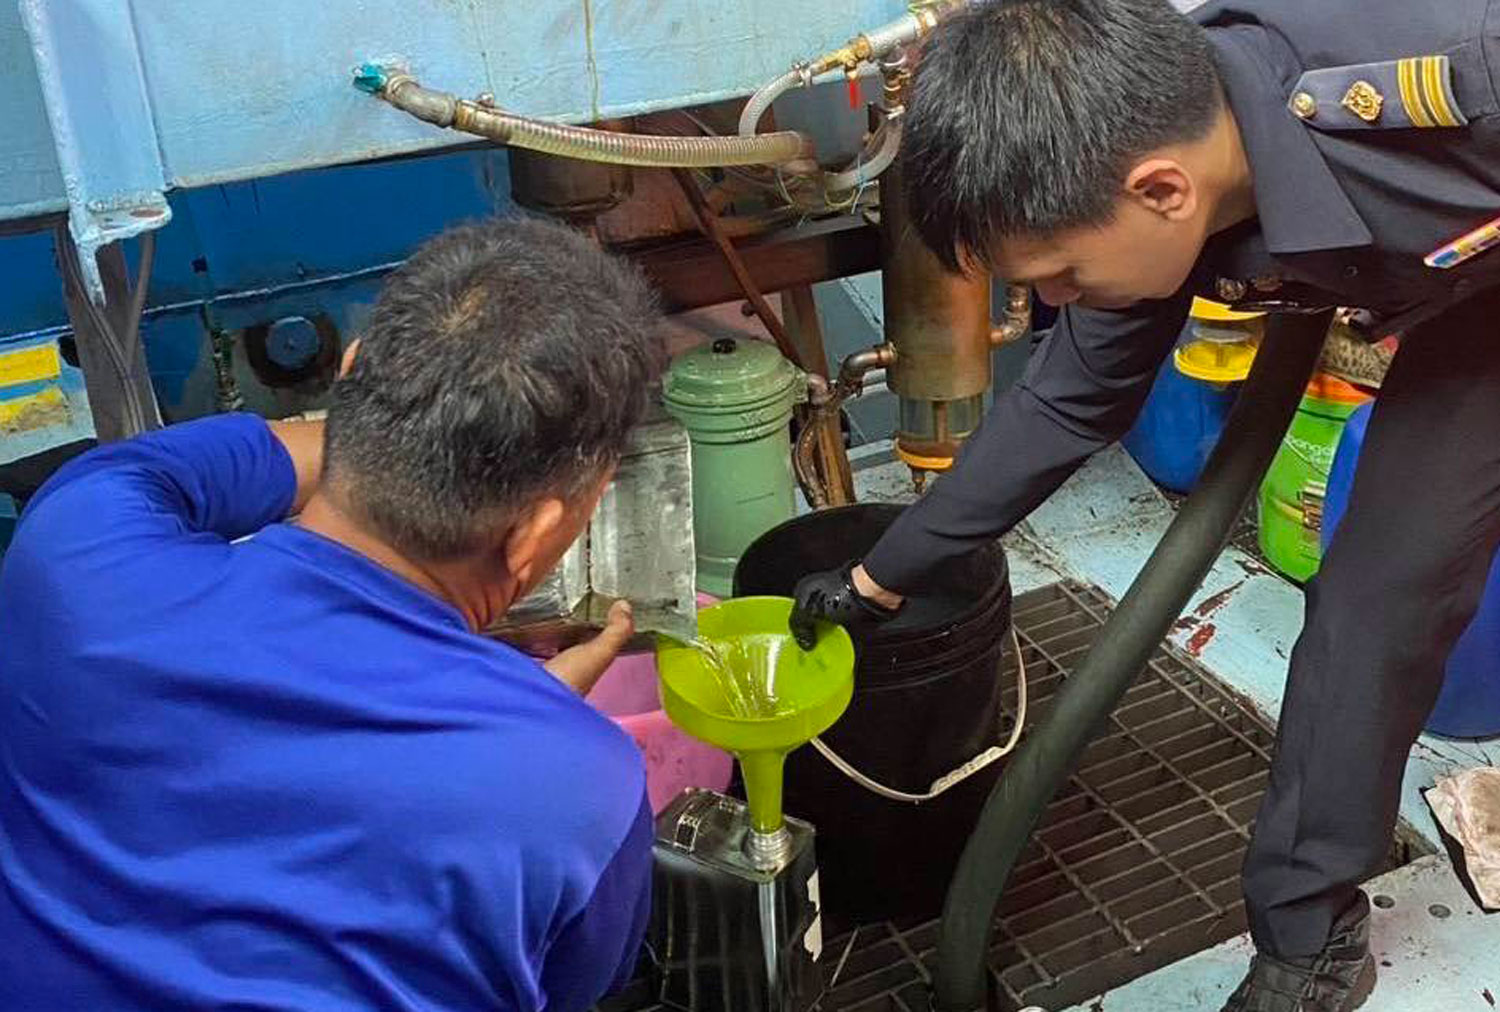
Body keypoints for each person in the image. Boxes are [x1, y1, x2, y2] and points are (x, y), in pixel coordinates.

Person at [789, 0, 1500, 1008]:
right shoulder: (1150, 174)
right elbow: (1062, 407)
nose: (1063, 300)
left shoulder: (1466, 71)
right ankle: (1310, 940)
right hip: (1469, 298)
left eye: (1062, 277)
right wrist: (882, 572)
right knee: (1376, 600)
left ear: (1161, 190)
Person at [0, 217, 666, 1010]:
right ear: (537, 533)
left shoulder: (75, 542)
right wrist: (535, 732)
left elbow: (199, 465)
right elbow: (575, 986)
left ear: (349, 371)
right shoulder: (584, 793)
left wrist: (383, 428)